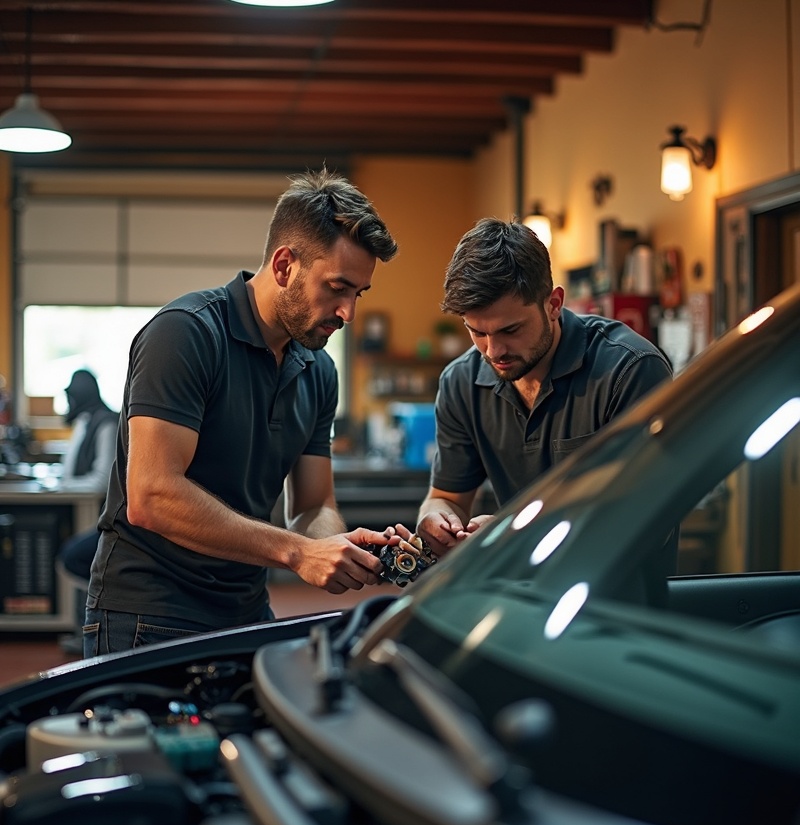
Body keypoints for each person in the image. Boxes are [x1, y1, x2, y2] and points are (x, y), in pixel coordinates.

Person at [85, 168, 401, 657]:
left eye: (357, 294)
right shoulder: (185, 334)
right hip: (150, 614)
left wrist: (340, 547)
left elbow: (314, 505)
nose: (348, 313)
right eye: (337, 287)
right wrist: (297, 552)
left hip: (247, 612)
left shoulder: (318, 371)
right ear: (283, 266)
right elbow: (151, 496)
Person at [416, 218, 673, 557]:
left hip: (616, 598)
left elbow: (644, 515)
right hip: (514, 597)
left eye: (511, 330)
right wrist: (437, 519)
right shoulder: (461, 382)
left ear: (553, 304)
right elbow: (446, 497)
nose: (493, 351)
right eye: (477, 332)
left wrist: (517, 529)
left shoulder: (629, 370)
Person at [55, 369, 119, 654]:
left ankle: (92, 627)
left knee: (75, 556)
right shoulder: (85, 420)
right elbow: (69, 471)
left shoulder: (106, 422)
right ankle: (84, 627)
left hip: (106, 512)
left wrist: (63, 485)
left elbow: (101, 478)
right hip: (85, 507)